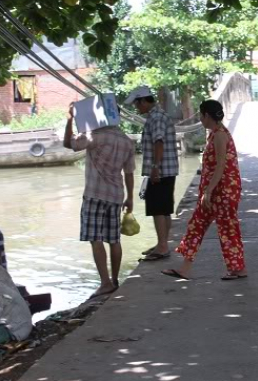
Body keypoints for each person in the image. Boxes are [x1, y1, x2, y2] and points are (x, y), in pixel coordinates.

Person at [162, 100, 247, 281]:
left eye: (201, 115)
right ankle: (185, 268)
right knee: (196, 226)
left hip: (223, 191)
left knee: (227, 228)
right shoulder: (215, 134)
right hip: (214, 191)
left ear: (207, 116)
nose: (200, 119)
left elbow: (221, 166)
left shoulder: (219, 136)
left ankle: (237, 269)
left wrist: (208, 192)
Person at [64, 104, 136, 298]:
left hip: (95, 195)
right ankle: (114, 280)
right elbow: (129, 173)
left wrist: (70, 119)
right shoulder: (127, 141)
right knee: (114, 240)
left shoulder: (95, 135)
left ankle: (105, 283)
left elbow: (68, 144)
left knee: (95, 238)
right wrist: (130, 197)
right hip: (116, 196)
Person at [125, 86, 180, 262]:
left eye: (136, 103)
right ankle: (162, 243)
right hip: (168, 170)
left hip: (161, 171)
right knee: (164, 209)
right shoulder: (159, 115)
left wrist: (155, 167)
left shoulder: (155, 117)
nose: (136, 107)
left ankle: (163, 247)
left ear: (143, 100)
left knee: (157, 208)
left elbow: (159, 142)